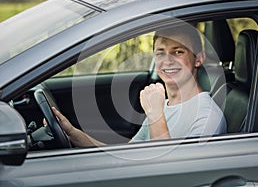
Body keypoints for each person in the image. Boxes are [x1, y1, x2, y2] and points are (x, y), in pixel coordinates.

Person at [52, 23, 227, 147]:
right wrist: (73, 134)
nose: (167, 61)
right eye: (160, 53)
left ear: (199, 59)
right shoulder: (164, 105)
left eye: (178, 52)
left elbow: (170, 173)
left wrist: (155, 114)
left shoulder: (207, 117)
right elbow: (131, 151)